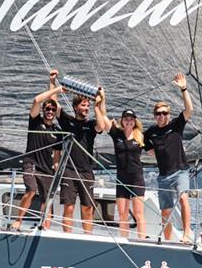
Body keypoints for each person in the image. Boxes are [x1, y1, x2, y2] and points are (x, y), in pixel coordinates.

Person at [49, 69, 101, 234]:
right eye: (83, 105)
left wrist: (99, 103)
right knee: (69, 208)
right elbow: (54, 105)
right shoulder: (67, 121)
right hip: (69, 171)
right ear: (75, 107)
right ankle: (68, 237)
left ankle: (88, 237)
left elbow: (102, 126)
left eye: (87, 106)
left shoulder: (91, 125)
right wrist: (53, 82)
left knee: (87, 209)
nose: (86, 108)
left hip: (87, 171)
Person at [143, 72, 193, 243]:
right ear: (154, 115)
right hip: (163, 176)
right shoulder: (150, 132)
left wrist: (184, 89)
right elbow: (141, 141)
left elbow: (189, 109)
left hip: (180, 171)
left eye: (164, 113)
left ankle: (187, 233)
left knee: (183, 198)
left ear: (169, 114)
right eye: (158, 113)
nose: (161, 116)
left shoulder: (176, 125)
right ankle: (167, 239)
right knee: (165, 210)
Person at [10, 84, 64, 231]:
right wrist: (56, 89)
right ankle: (18, 220)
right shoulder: (35, 121)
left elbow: (57, 154)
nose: (50, 111)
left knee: (48, 199)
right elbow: (36, 100)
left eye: (53, 109)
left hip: (47, 168)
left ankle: (45, 226)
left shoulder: (58, 132)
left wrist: (57, 169)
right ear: (43, 110)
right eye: (47, 109)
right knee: (32, 190)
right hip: (31, 163)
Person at [94, 89, 146, 239]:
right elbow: (103, 118)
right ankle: (125, 240)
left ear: (134, 121)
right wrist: (102, 100)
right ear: (122, 121)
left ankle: (142, 241)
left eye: (131, 119)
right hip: (121, 179)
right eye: (126, 119)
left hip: (137, 179)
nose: (129, 121)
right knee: (123, 214)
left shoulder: (141, 137)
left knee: (138, 214)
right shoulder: (117, 134)